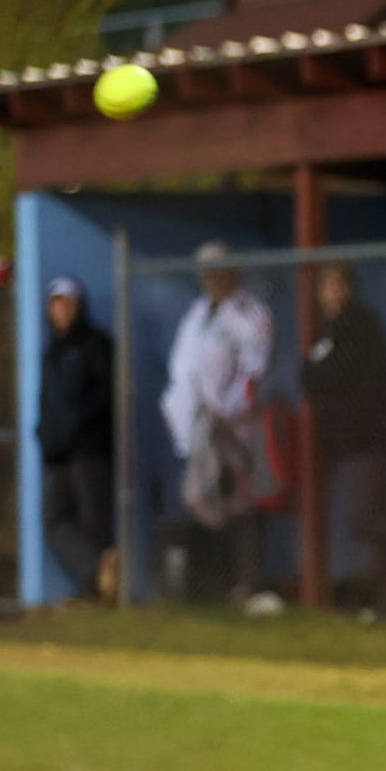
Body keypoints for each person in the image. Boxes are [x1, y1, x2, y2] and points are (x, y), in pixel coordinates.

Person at [160, 241, 273, 601]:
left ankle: (245, 581)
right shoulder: (196, 314)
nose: (211, 277)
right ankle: (219, 579)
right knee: (203, 496)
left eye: (218, 270)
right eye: (206, 271)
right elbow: (182, 369)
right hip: (197, 424)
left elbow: (256, 369)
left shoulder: (249, 312)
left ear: (233, 272)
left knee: (239, 496)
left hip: (235, 424)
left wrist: (230, 407)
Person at [300, 260, 386, 604]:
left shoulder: (357, 326)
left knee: (361, 517)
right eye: (321, 287)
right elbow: (310, 376)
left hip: (367, 440)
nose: (323, 294)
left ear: (346, 288)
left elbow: (324, 375)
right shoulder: (331, 328)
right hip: (347, 443)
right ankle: (364, 591)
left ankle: (383, 589)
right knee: (352, 518)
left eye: (330, 286)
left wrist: (314, 370)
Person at [36, 276, 116, 601]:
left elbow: (104, 395)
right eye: (56, 304)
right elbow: (48, 402)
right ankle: (95, 578)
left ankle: (105, 589)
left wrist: (78, 428)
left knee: (94, 519)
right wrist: (44, 436)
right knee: (54, 518)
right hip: (60, 455)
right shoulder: (53, 351)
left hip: (89, 450)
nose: (62, 311)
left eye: (69, 304)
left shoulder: (96, 344)